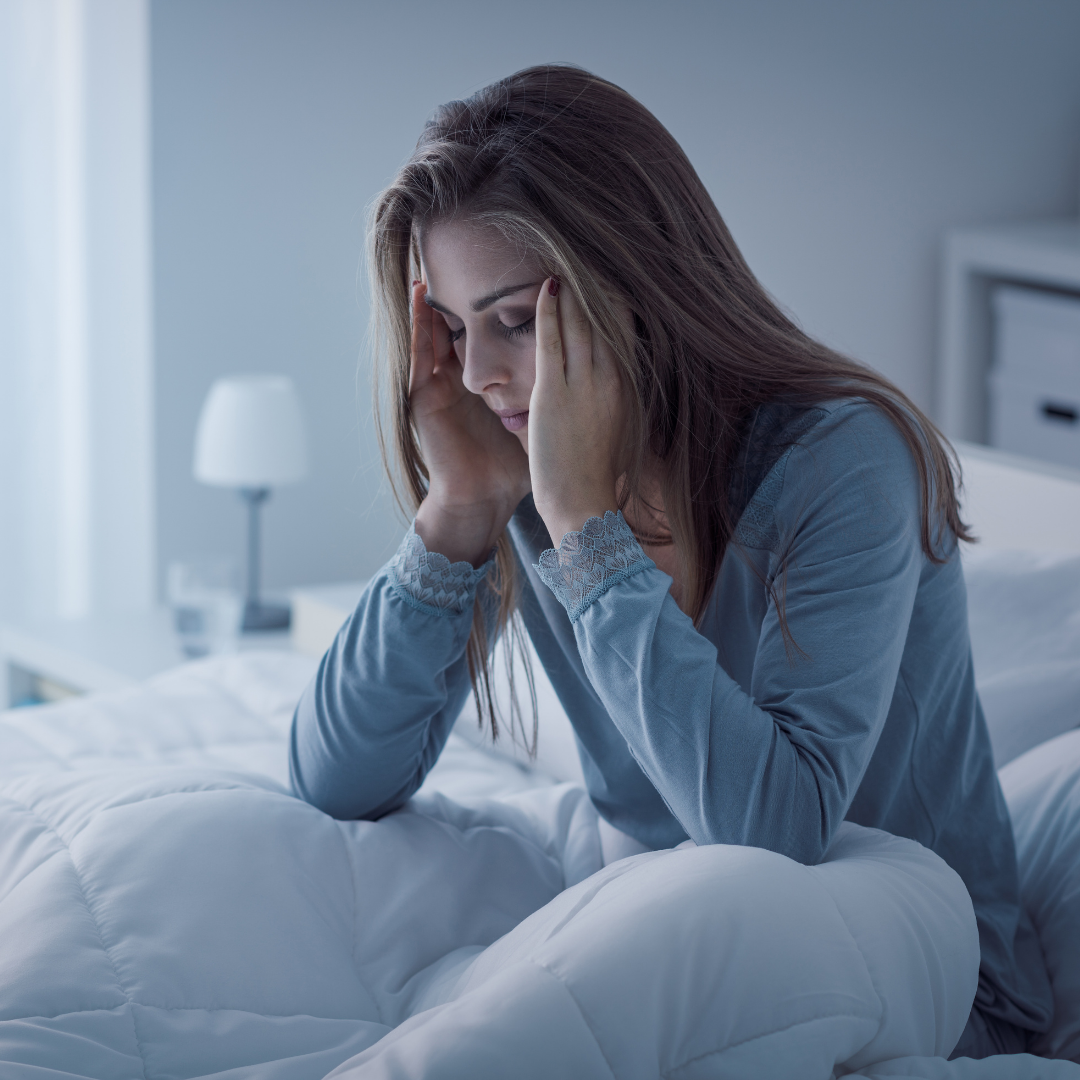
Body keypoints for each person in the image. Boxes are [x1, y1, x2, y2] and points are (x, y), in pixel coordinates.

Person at [289, 64, 1051, 1059]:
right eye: (456, 332)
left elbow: (776, 837)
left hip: (934, 982)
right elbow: (335, 779)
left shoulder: (843, 461)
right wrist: (461, 505)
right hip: (675, 946)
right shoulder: (519, 466)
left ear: (637, 286)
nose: (478, 376)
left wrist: (585, 527)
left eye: (516, 323)